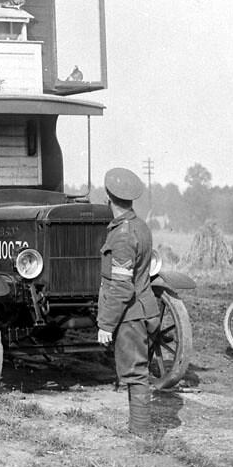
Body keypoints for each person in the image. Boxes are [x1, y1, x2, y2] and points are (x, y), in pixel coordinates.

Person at [96, 167, 160, 437]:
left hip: (130, 315)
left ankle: (141, 434)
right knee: (138, 372)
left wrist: (106, 325)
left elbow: (122, 287)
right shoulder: (140, 226)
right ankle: (139, 431)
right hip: (144, 307)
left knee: (135, 374)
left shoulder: (122, 236)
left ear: (108, 197)